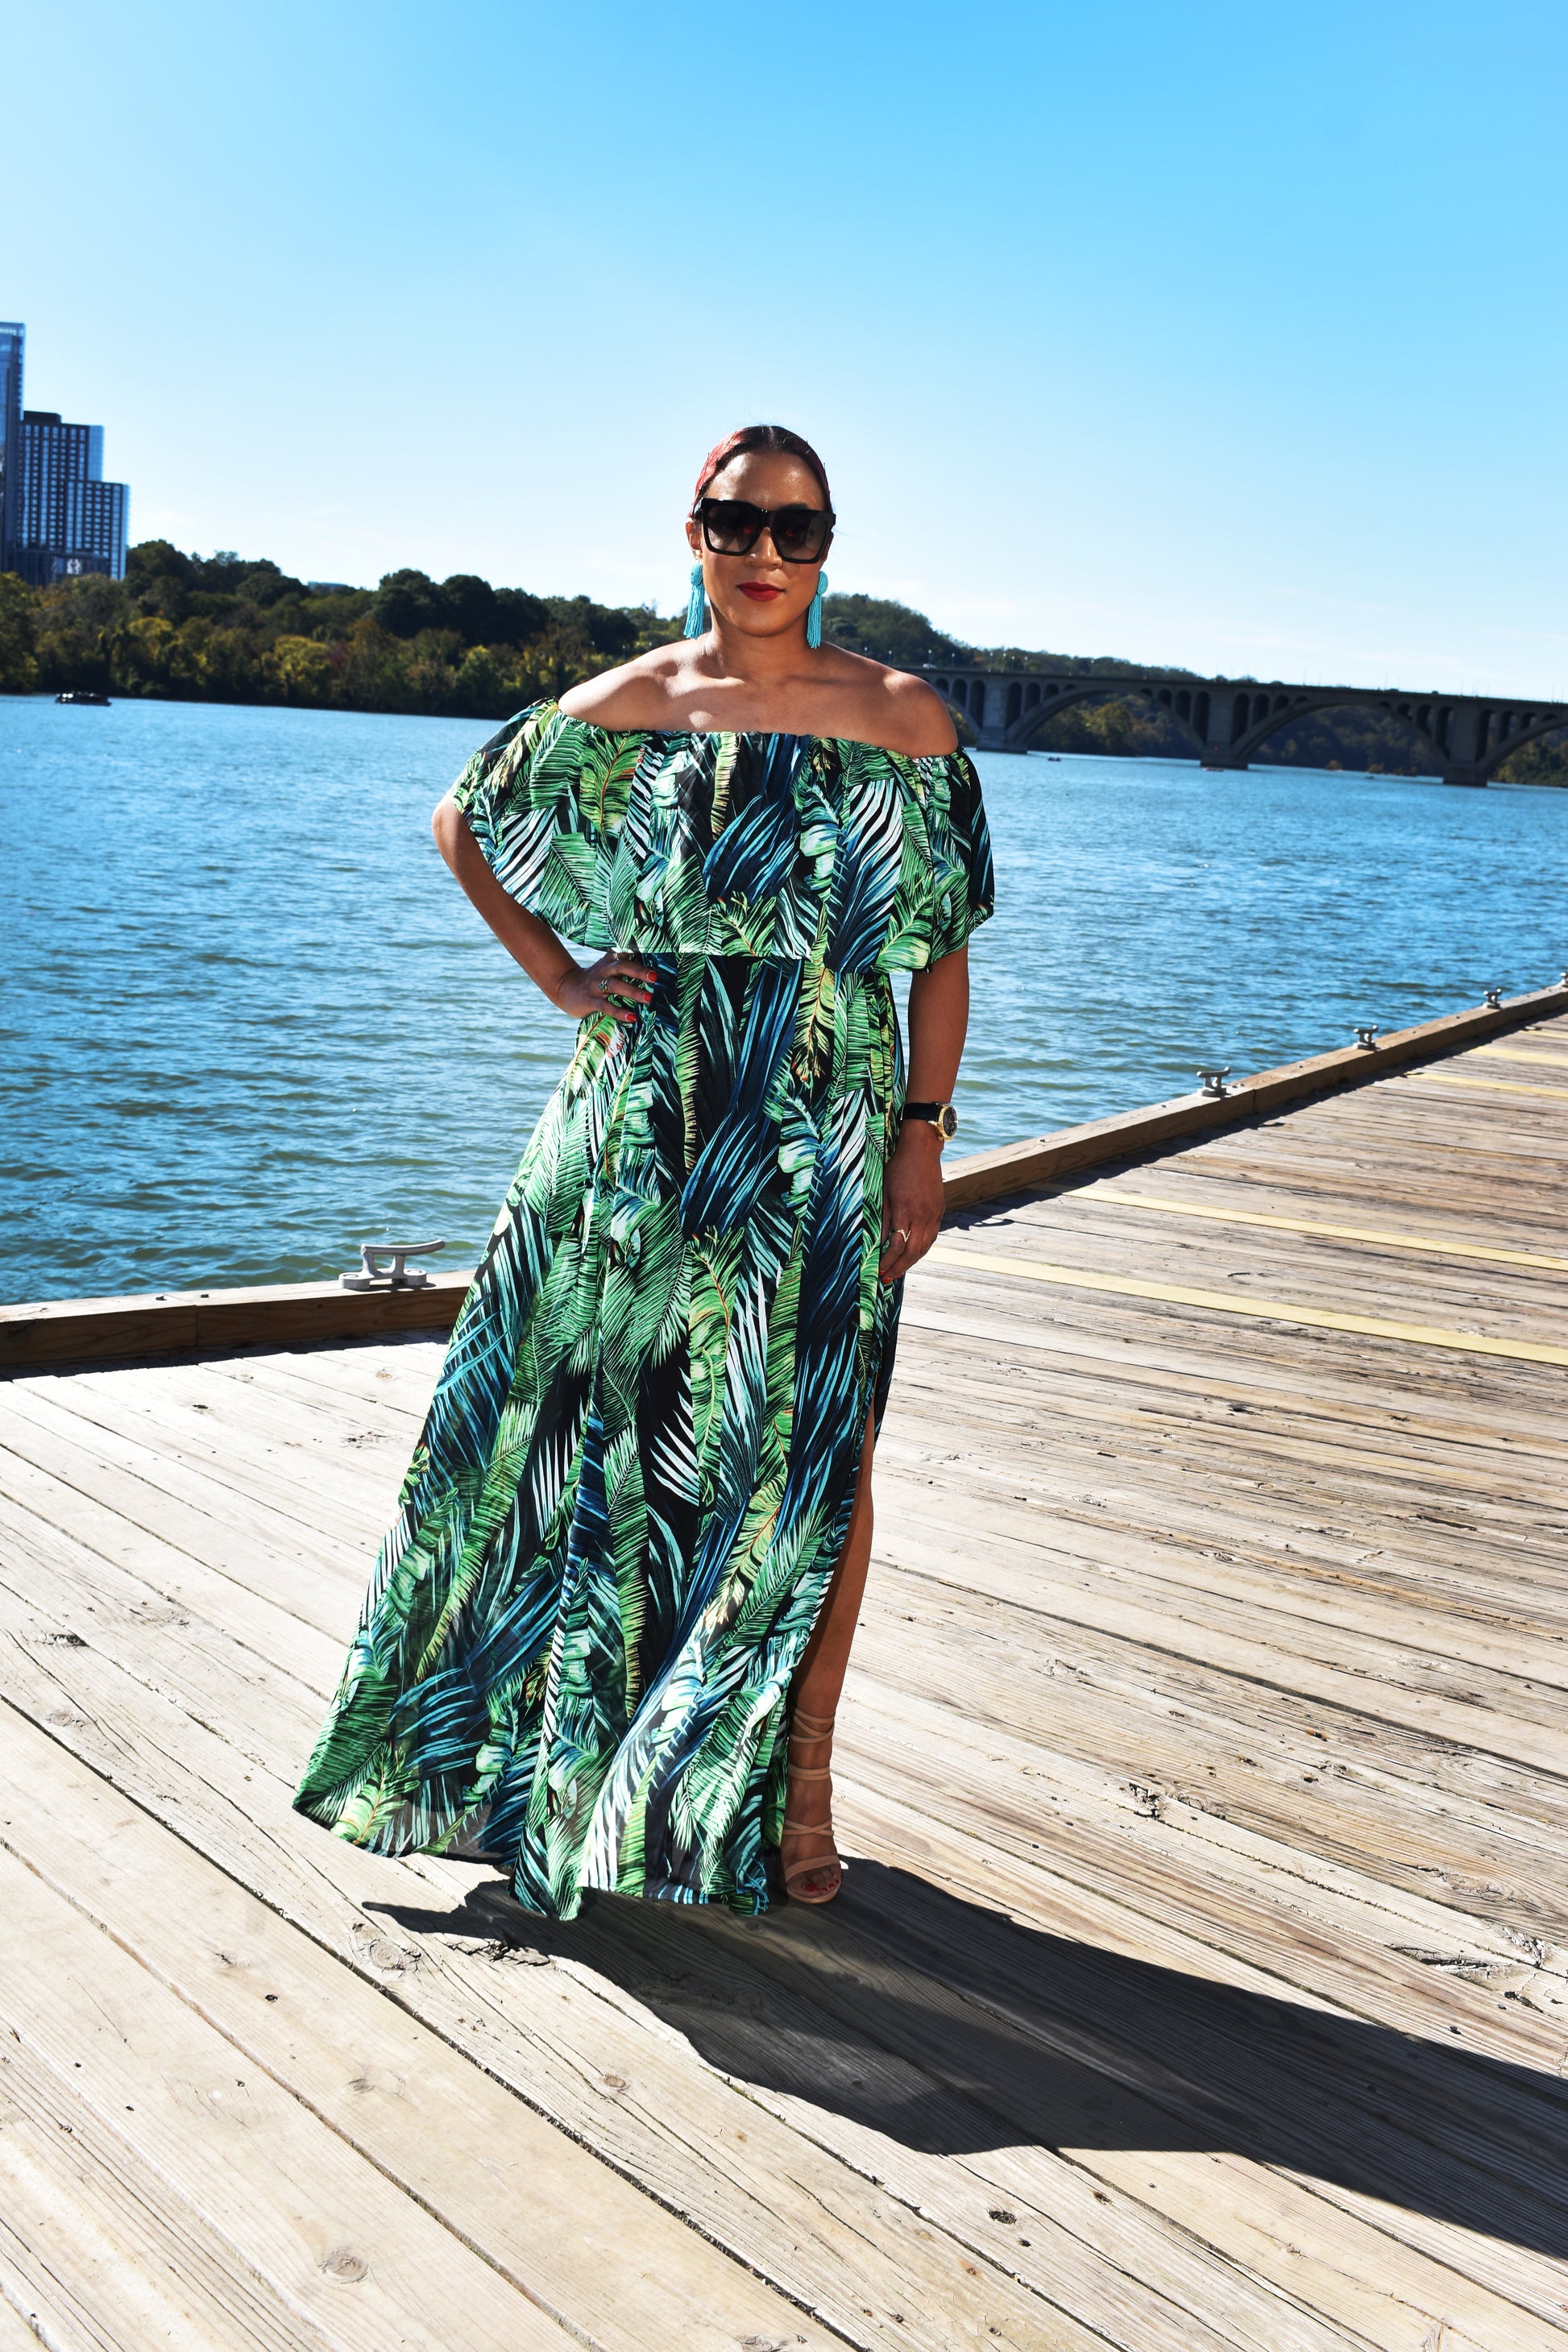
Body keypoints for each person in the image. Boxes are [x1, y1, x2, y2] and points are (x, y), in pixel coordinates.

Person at [294, 425, 993, 1912]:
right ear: (692, 532)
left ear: (827, 547)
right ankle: (553, 1778)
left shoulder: (904, 716)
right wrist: (559, 976)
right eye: (735, 523)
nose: (762, 555)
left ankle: (792, 1782)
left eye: (795, 530)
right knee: (563, 1429)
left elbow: (939, 959)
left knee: (812, 1455)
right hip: (638, 1122)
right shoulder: (637, 704)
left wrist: (922, 1138)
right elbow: (461, 818)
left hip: (823, 1125)